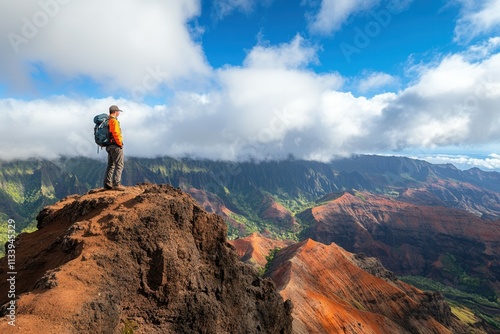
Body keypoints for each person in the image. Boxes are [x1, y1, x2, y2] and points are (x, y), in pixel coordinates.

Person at [103, 105, 125, 191]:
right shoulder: (114, 121)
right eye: (118, 111)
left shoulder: (107, 121)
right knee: (119, 165)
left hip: (109, 146)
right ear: (115, 112)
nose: (119, 113)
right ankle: (116, 184)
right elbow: (116, 133)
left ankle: (107, 184)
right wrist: (120, 144)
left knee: (111, 165)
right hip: (115, 145)